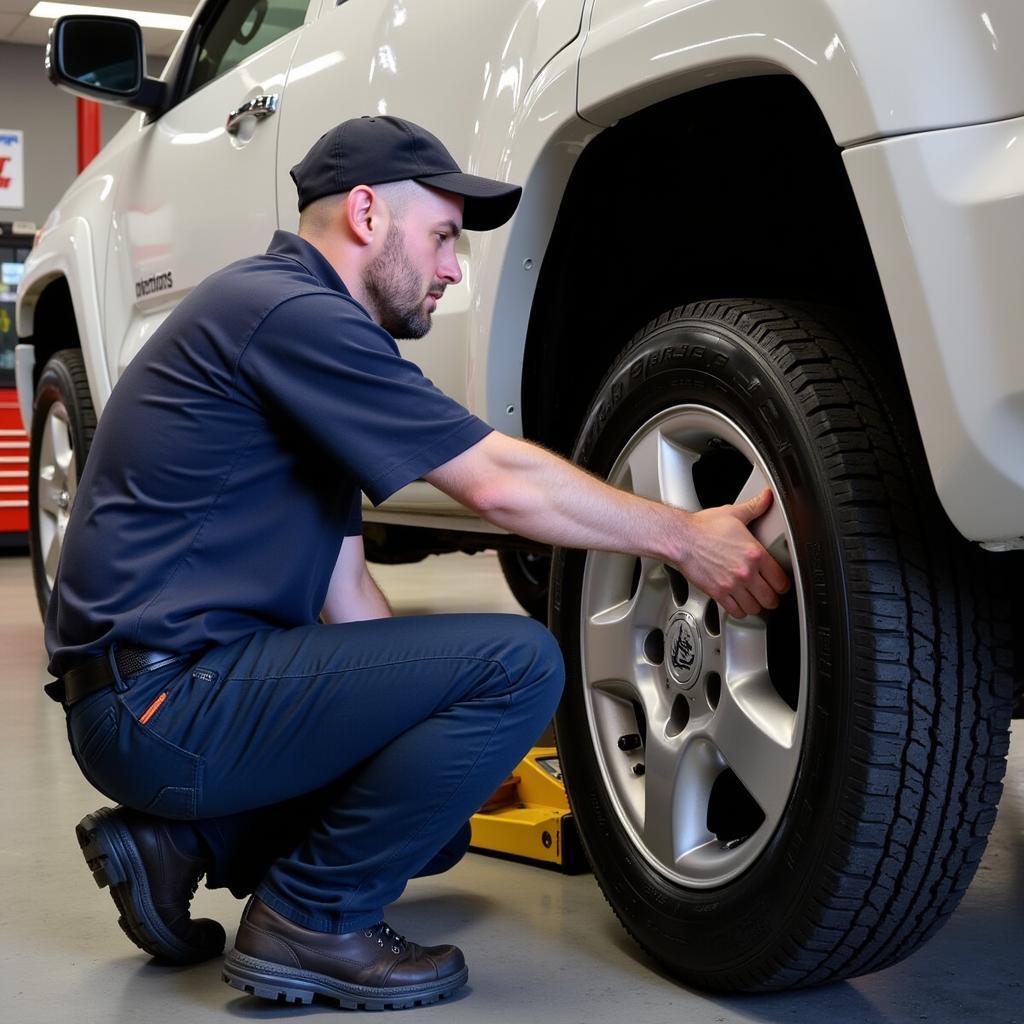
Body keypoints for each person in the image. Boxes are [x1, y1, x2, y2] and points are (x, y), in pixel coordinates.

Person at [45, 115, 788, 1011]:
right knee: (523, 665)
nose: (451, 269)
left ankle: (177, 849)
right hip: (160, 702)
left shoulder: (288, 328)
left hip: (161, 699)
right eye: (441, 237)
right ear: (365, 214)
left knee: (431, 831)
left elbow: (348, 592)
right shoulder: (293, 313)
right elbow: (500, 485)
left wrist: (455, 743)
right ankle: (310, 923)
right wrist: (683, 534)